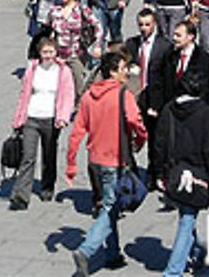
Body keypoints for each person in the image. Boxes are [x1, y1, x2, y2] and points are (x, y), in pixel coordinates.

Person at [66, 51, 147, 277]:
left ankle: (112, 254)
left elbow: (77, 130)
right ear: (113, 71)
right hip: (115, 160)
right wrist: (141, 139)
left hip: (94, 160)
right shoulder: (124, 94)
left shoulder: (90, 94)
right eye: (123, 68)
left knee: (109, 204)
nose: (126, 72)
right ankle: (86, 249)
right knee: (111, 206)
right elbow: (135, 122)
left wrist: (71, 163)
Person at [155, 72, 209, 277]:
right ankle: (173, 271)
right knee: (188, 219)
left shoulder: (168, 109)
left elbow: (160, 143)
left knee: (185, 215)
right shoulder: (204, 112)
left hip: (174, 172)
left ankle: (197, 252)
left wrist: (158, 172)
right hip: (197, 172)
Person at [9, 37, 75, 210]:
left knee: (49, 155)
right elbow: (24, 94)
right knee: (28, 157)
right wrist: (18, 118)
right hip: (32, 117)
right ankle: (21, 196)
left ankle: (47, 186)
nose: (48, 56)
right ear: (39, 52)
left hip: (52, 119)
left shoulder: (63, 71)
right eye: (45, 52)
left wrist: (63, 117)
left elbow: (68, 95)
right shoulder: (32, 69)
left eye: (51, 52)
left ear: (56, 52)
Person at [124, 8, 171, 187]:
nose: (143, 28)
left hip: (154, 100)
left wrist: (159, 105)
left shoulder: (164, 46)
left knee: (154, 140)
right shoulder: (132, 44)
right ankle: (132, 172)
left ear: (155, 25)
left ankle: (154, 174)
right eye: (141, 25)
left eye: (147, 24)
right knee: (129, 138)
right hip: (135, 98)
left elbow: (166, 79)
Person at [47, 0, 103, 95]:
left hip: (76, 55)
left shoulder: (81, 10)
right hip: (58, 57)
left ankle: (79, 110)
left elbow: (98, 26)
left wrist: (97, 45)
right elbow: (47, 31)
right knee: (58, 89)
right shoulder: (54, 11)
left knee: (80, 88)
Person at [154, 21, 209, 111]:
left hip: (196, 112)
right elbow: (162, 81)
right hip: (173, 110)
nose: (174, 38)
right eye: (174, 35)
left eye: (178, 35)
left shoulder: (206, 60)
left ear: (190, 37)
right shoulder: (170, 56)